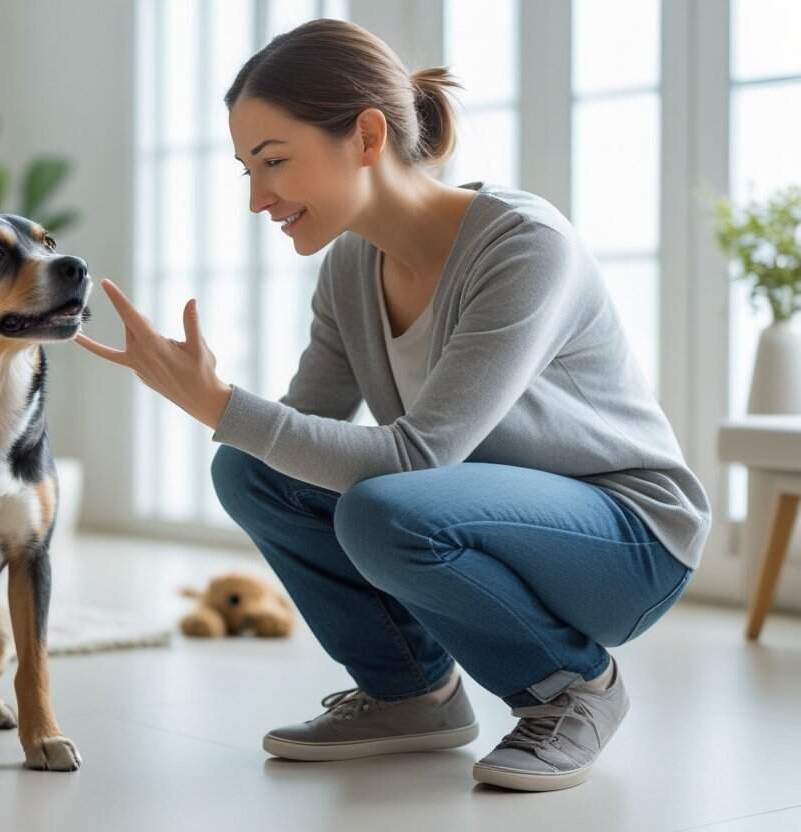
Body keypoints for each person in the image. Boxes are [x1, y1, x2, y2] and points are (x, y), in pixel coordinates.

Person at [75, 18, 710, 793]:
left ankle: (572, 690)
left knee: (385, 507)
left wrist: (217, 401)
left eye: (274, 161)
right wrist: (218, 410)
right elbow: (290, 442)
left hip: (628, 540)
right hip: (485, 517)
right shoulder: (350, 270)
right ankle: (410, 692)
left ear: (367, 135)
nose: (258, 198)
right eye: (247, 170)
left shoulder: (523, 244)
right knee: (249, 471)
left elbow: (418, 458)